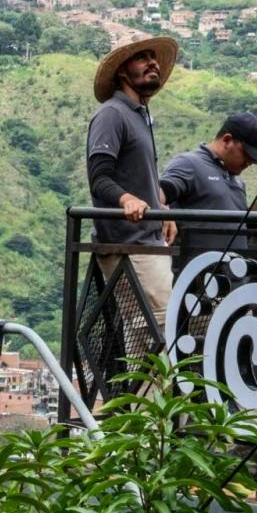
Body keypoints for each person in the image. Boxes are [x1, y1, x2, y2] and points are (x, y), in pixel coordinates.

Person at [85, 35, 179, 343]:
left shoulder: (140, 116)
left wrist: (161, 211)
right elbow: (99, 177)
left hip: (147, 242)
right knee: (158, 327)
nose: (153, 63)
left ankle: (146, 392)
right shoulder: (112, 114)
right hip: (129, 244)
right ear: (123, 71)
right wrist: (126, 200)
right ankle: (150, 392)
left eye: (154, 58)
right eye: (143, 58)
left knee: (147, 331)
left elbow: (140, 178)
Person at [159, 111, 257, 260]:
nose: (249, 162)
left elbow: (246, 228)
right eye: (246, 155)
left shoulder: (237, 180)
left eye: (253, 159)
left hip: (235, 275)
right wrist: (163, 212)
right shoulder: (189, 164)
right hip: (196, 274)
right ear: (227, 140)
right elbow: (157, 193)